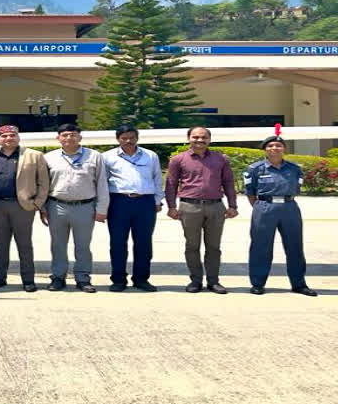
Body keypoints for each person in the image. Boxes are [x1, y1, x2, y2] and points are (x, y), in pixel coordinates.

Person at [165, 126, 238, 294]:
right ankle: (195, 281)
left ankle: (213, 281)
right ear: (189, 138)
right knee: (192, 246)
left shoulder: (221, 159)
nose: (199, 140)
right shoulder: (178, 160)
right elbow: (171, 184)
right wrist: (171, 206)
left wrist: (232, 205)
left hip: (216, 206)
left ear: (209, 140)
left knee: (214, 247)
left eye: (204, 137)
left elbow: (228, 183)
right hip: (189, 207)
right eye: (195, 137)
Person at [244, 136, 318, 296]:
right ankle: (257, 283)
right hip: (265, 207)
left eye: (278, 145)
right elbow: (250, 192)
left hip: (289, 207)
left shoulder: (294, 168)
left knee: (295, 246)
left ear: (284, 149)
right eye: (270, 146)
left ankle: (299, 284)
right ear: (265, 150)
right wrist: (262, 207)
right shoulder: (255, 169)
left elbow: (297, 187)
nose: (274, 148)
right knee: (260, 246)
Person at [41, 123, 110, 292]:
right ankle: (58, 277)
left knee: (83, 246)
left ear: (80, 137)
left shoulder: (94, 156)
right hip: (57, 206)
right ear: (58, 138)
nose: (69, 138)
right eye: (64, 135)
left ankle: (83, 278)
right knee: (57, 245)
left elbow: (102, 183)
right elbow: (42, 184)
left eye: (73, 134)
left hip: (85, 207)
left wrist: (102, 209)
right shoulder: (49, 157)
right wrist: (42, 207)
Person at [0, 125, 49, 293]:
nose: (8, 139)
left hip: (23, 206)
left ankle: (28, 280)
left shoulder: (34, 156)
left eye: (12, 135)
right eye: (4, 136)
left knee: (24, 244)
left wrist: (37, 204)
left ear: (18, 137)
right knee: (0, 244)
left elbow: (44, 182)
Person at [101, 125, 164, 293]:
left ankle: (141, 279)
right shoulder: (107, 157)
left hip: (145, 203)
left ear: (137, 138)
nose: (128, 141)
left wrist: (157, 201)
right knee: (117, 243)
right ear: (117, 139)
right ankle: (118, 279)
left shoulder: (150, 156)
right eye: (124, 138)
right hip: (118, 202)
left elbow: (157, 179)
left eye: (132, 137)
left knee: (144, 243)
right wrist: (103, 206)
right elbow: (102, 183)